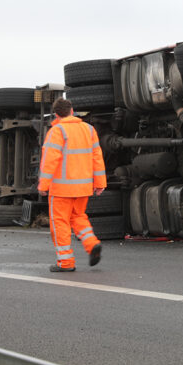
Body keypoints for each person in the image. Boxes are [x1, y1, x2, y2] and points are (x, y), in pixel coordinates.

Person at [38, 98, 106, 272]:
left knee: (60, 223)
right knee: (79, 217)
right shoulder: (89, 130)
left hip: (61, 189)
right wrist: (100, 183)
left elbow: (49, 161)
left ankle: (66, 263)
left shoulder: (57, 131)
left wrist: (43, 185)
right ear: (72, 110)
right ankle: (92, 244)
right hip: (83, 188)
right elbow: (97, 158)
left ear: (56, 114)